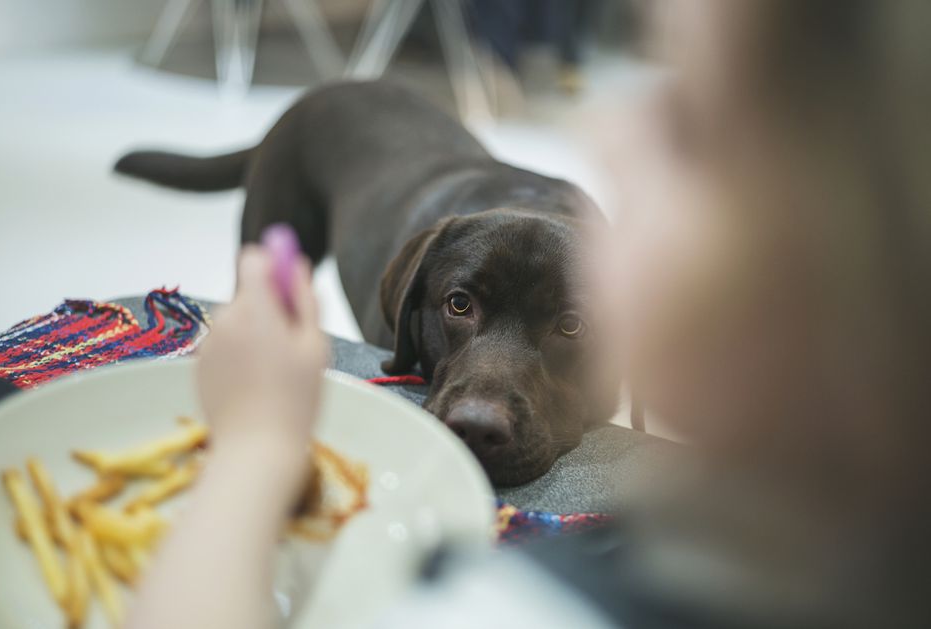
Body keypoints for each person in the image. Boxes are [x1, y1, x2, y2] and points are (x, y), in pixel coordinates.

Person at [126, 1, 931, 627]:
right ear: (414, 312)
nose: (604, 133)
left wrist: (258, 444)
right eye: (460, 307)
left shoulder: (520, 606)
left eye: (684, 124)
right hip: (308, 142)